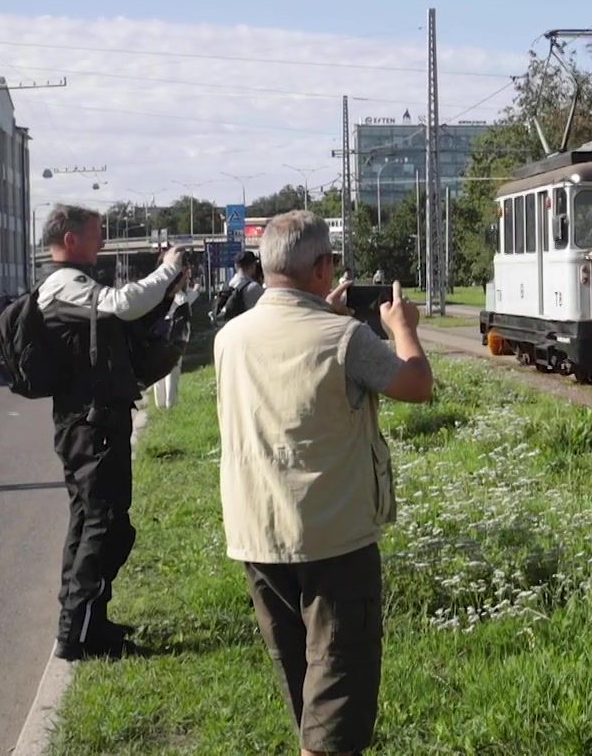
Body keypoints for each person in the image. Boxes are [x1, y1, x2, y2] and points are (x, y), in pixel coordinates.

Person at [216, 211, 434, 756]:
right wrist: (403, 329)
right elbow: (416, 384)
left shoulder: (229, 337)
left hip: (258, 536)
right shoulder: (345, 337)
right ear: (321, 267)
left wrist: (323, 313)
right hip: (332, 538)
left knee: (304, 686)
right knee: (338, 696)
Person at [36, 204, 186, 660]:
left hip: (93, 419)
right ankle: (77, 634)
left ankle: (88, 624)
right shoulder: (64, 287)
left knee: (95, 523)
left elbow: (120, 321)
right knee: (104, 525)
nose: (102, 243)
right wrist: (166, 270)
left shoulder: (77, 287)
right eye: (96, 234)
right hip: (91, 423)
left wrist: (167, 290)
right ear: (69, 240)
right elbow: (120, 307)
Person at [150, 268, 203, 410]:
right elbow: (184, 304)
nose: (187, 281)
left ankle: (159, 403)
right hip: (173, 338)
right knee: (172, 371)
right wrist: (196, 291)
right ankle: (170, 404)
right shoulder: (179, 296)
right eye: (185, 278)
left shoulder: (158, 293)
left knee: (158, 370)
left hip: (157, 335)